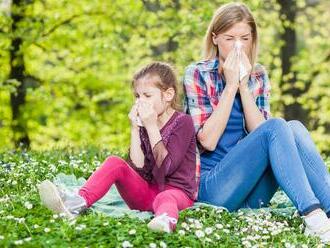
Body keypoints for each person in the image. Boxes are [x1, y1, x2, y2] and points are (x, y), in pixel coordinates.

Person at [183, 2, 330, 243]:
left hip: (251, 193)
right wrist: (230, 86)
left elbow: (267, 136)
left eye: (244, 38)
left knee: (293, 128)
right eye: (230, 38)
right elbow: (206, 141)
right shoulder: (198, 73)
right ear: (215, 38)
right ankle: (313, 215)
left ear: (253, 40)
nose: (238, 46)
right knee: (276, 126)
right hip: (213, 189)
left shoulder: (258, 75)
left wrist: (242, 84)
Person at [39, 62, 197, 233]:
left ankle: (164, 221)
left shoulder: (183, 122)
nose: (140, 102)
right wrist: (135, 128)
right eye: (137, 96)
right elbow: (138, 169)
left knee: (166, 197)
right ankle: (75, 204)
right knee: (115, 162)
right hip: (146, 195)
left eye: (147, 95)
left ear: (168, 94)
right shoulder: (145, 124)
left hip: (177, 194)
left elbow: (166, 168)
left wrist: (151, 126)